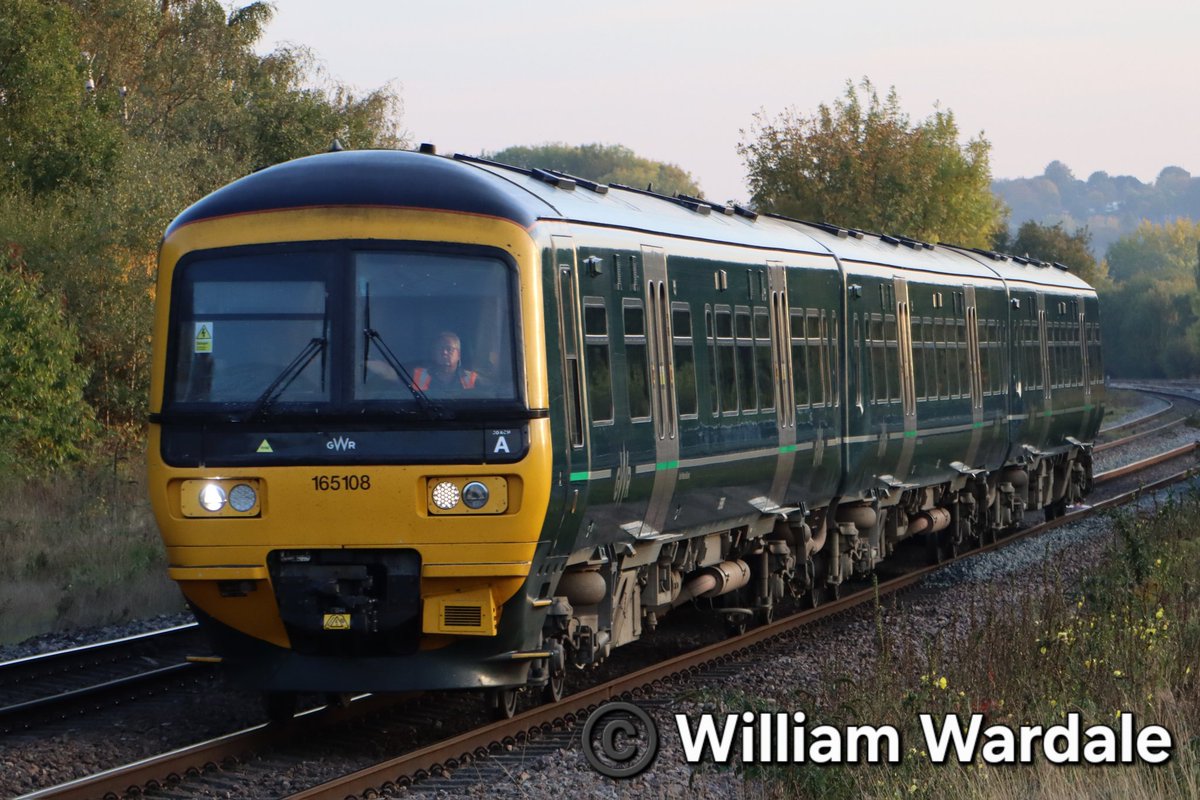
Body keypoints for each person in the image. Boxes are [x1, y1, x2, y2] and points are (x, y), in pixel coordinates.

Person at [411, 331, 479, 395]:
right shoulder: (415, 376)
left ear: (458, 355)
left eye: (449, 349)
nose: (444, 352)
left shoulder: (474, 380)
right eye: (440, 348)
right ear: (433, 354)